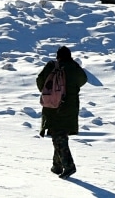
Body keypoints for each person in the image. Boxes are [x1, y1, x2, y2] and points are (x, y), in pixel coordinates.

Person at [36, 46, 88, 178]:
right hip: (70, 107)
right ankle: (57, 166)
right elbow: (83, 80)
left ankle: (68, 165)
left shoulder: (52, 66)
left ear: (58, 55)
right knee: (60, 135)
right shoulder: (74, 67)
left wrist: (51, 92)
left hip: (54, 107)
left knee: (59, 137)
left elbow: (40, 81)